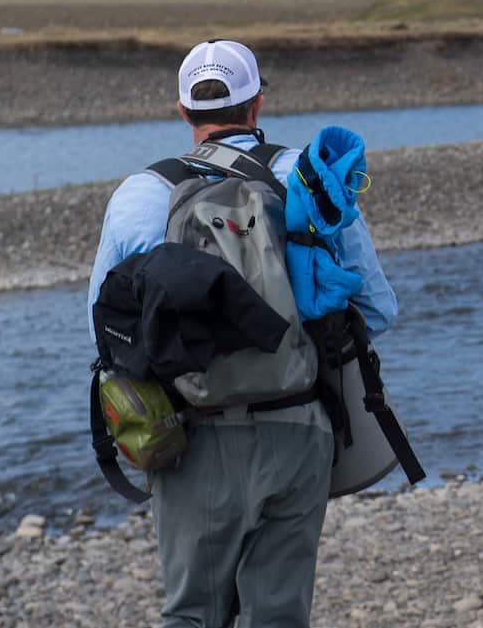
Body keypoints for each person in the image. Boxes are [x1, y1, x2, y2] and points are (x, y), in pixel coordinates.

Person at [88, 39, 398, 628]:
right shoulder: (306, 179)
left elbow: (104, 332)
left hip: (191, 436)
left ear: (183, 112)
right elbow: (378, 309)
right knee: (278, 615)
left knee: (192, 614)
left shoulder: (142, 193)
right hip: (301, 426)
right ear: (257, 104)